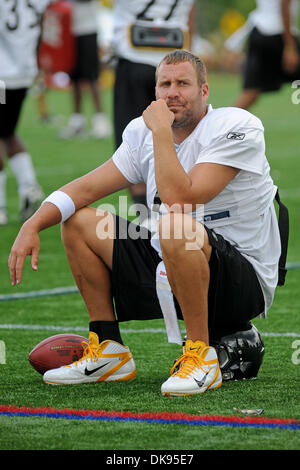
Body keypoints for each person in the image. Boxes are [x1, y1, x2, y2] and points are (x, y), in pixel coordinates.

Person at [8, 50, 282, 396]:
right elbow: (86, 188)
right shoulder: (142, 131)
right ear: (154, 92)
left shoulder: (237, 126)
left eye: (183, 83)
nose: (172, 92)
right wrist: (32, 224)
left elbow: (181, 198)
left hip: (241, 281)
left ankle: (201, 355)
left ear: (204, 91)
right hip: (172, 263)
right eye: (164, 84)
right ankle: (109, 349)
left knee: (174, 224)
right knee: (78, 221)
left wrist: (161, 133)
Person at [112, 0, 195, 222]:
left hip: (134, 56)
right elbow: (190, 15)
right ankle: (170, 213)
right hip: (176, 60)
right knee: (180, 137)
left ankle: (146, 218)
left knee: (132, 141)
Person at [0, 0, 51, 225]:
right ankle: (29, 186)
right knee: (9, 131)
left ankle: (0, 206)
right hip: (24, 72)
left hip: (1, 75)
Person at [225, 0, 300, 109]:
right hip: (278, 34)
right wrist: (290, 46)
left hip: (259, 31)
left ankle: (223, 123)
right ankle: (223, 122)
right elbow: (284, 6)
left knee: (251, 91)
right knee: (251, 91)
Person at [60, 0, 112, 139]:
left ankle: (101, 122)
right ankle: (77, 121)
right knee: (74, 77)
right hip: (69, 29)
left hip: (88, 29)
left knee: (92, 77)